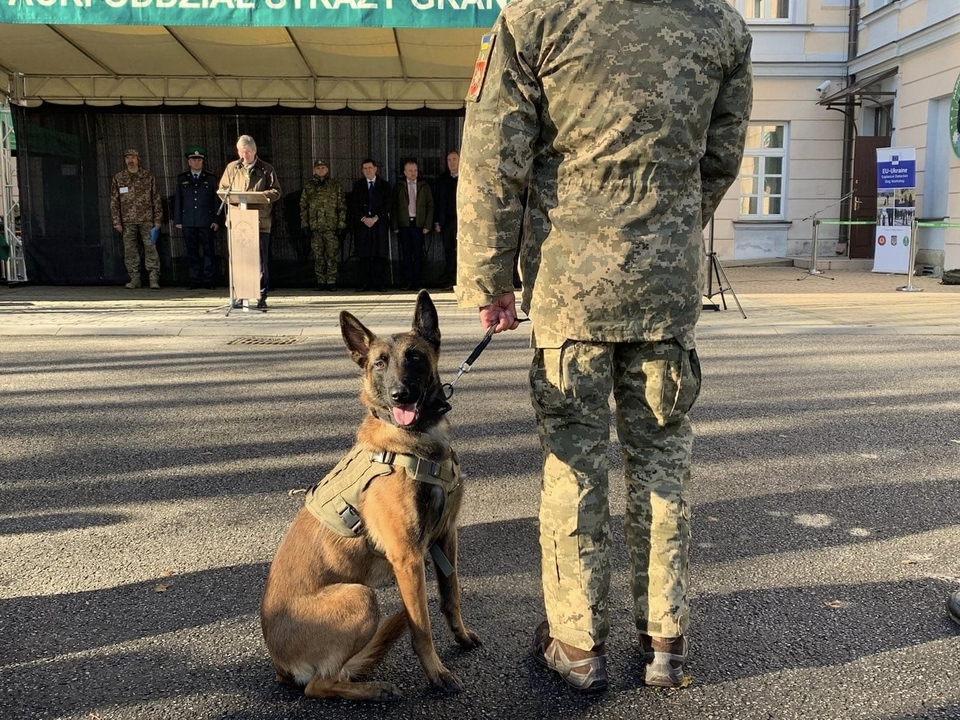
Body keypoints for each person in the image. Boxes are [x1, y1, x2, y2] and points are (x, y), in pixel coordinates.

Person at [455, 0, 753, 693]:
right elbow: (722, 155)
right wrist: (667, 225)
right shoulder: (720, 24)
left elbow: (495, 154)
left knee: (573, 468)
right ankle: (665, 641)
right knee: (663, 462)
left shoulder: (538, 17)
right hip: (666, 286)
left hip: (571, 287)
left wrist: (490, 278)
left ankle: (578, 645)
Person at [218, 135, 281, 309]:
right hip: (238, 222)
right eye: (240, 151)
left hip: (259, 222)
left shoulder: (266, 169)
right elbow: (223, 189)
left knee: (260, 261)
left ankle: (261, 295)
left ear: (254, 151)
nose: (242, 155)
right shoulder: (232, 168)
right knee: (239, 259)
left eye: (246, 152)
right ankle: (239, 295)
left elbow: (276, 191)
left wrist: (261, 197)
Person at [110, 149, 163, 290]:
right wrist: (116, 221)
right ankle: (134, 278)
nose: (130, 160)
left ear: (138, 159)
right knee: (130, 250)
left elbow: (156, 198)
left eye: (132, 157)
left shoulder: (148, 176)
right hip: (127, 221)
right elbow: (114, 201)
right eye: (127, 157)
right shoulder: (119, 178)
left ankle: (153, 278)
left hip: (147, 219)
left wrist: (158, 220)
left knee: (150, 248)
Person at [174, 145, 220, 290]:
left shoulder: (211, 178)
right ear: (189, 162)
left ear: (203, 161)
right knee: (192, 252)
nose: (196, 162)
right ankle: (194, 279)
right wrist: (178, 220)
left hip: (206, 221)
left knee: (208, 252)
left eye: (199, 160)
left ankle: (208, 279)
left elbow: (216, 201)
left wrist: (216, 220)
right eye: (193, 160)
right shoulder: (182, 179)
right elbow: (178, 201)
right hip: (188, 221)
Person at [300, 160, 346, 291]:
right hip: (315, 228)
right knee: (318, 256)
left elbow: (342, 206)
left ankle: (331, 281)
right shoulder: (309, 187)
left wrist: (341, 224)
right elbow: (303, 207)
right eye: (318, 168)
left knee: (331, 256)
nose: (321, 170)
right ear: (314, 170)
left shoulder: (335, 186)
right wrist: (305, 225)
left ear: (327, 170)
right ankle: (320, 281)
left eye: (323, 167)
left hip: (331, 227)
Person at [391, 159, 434, 290]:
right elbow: (393, 207)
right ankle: (407, 281)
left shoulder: (424, 186)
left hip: (418, 224)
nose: (413, 173)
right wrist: (395, 226)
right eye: (410, 171)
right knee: (406, 254)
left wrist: (427, 225)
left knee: (418, 253)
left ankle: (418, 282)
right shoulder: (399, 186)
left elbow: (430, 206)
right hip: (404, 224)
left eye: (415, 170)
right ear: (405, 172)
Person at [349, 159, 391, 291]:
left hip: (379, 224)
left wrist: (376, 218)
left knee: (379, 255)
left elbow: (388, 204)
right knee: (364, 255)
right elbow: (353, 205)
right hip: (363, 225)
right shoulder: (358, 185)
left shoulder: (384, 185)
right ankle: (364, 283)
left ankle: (380, 284)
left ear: (375, 169)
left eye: (370, 168)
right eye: (365, 168)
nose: (368, 170)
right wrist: (363, 218)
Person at [433, 150, 460, 290]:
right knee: (449, 251)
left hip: (462, 222)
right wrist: (437, 221)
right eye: (449, 160)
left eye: (454, 159)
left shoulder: (466, 178)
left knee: (461, 252)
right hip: (447, 222)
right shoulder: (442, 180)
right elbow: (437, 201)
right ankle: (450, 280)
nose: (452, 162)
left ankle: (461, 280)